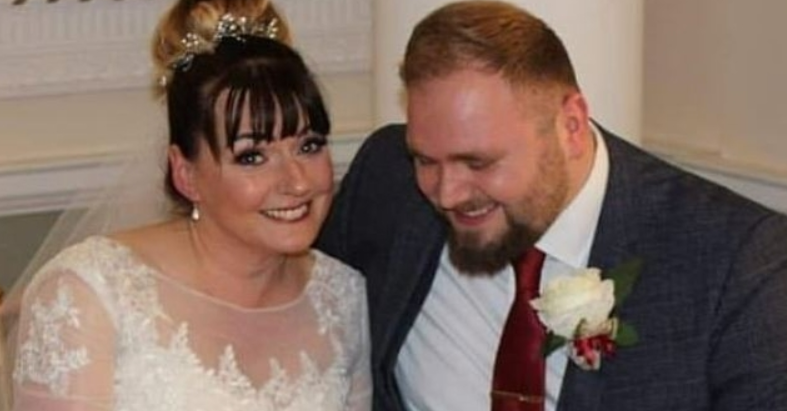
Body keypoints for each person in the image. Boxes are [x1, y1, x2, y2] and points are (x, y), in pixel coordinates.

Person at [316, 1, 787, 410]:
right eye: (425, 160)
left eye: (478, 162)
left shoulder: (739, 269)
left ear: (571, 126)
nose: (447, 193)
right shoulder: (386, 180)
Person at [0, 0, 371, 410]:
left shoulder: (342, 298)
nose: (297, 181)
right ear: (185, 174)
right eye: (252, 157)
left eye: (309, 146)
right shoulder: (91, 293)